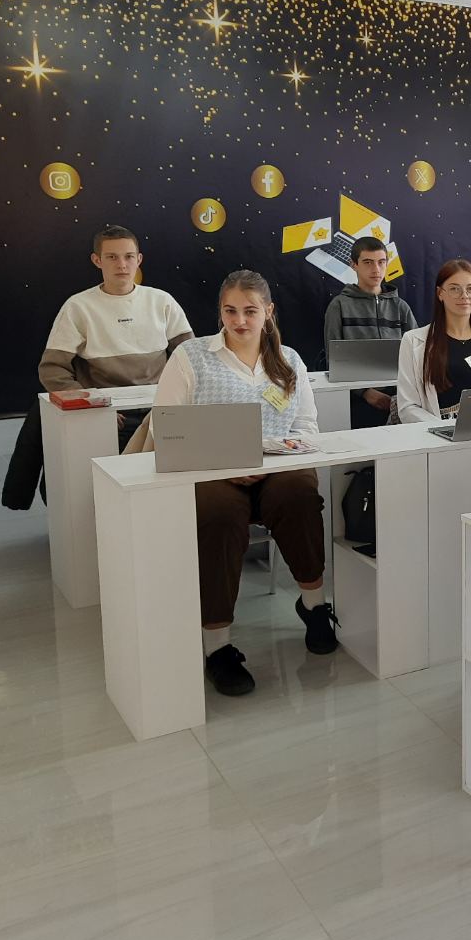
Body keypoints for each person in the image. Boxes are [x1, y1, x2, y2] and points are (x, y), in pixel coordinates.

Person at [153, 270, 336, 696]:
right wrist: (223, 464)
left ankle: (314, 605)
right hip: (211, 472)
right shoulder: (191, 356)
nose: (239, 321)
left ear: (268, 312)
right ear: (219, 312)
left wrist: (271, 459)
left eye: (250, 311)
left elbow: (307, 427)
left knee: (300, 494)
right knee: (218, 514)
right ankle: (217, 644)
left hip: (275, 467)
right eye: (230, 311)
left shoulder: (289, 361)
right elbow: (166, 428)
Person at [39, 224, 193, 450]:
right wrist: (92, 407)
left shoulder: (162, 301)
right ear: (97, 260)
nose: (122, 264)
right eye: (112, 257)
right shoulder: (78, 307)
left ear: (139, 259)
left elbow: (191, 360)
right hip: (104, 413)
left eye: (129, 256)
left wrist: (171, 405)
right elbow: (52, 370)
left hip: (159, 409)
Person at [391, 259, 471, 423]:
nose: (464, 296)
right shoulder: (413, 341)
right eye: (454, 289)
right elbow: (408, 407)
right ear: (440, 293)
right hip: (433, 432)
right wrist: (444, 430)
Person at [322, 236, 417, 428]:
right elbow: (333, 360)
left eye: (381, 262)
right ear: (353, 265)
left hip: (402, 398)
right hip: (356, 399)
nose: (376, 269)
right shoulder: (339, 306)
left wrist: (403, 395)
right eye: (368, 262)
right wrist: (365, 393)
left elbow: (417, 355)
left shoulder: (401, 307)